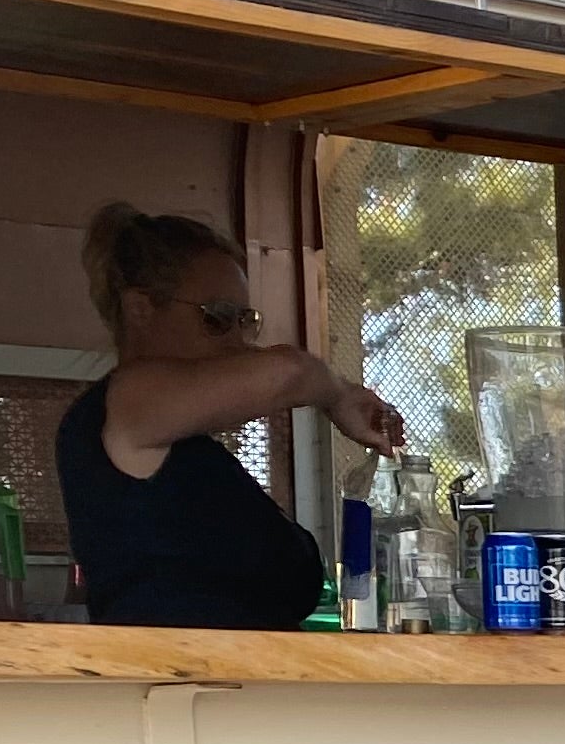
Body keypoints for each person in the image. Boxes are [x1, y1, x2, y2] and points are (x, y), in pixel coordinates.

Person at [59, 204, 404, 628]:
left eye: (246, 320)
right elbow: (288, 373)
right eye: (218, 318)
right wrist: (338, 393)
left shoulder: (187, 450)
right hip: (177, 685)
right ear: (141, 310)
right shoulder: (128, 403)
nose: (239, 341)